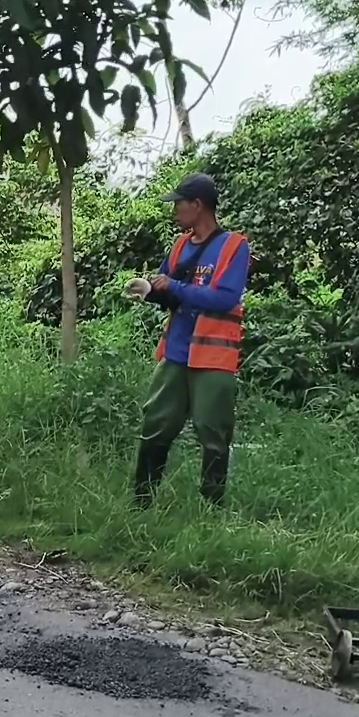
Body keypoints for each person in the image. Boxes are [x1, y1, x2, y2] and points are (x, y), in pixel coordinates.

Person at [125, 172, 251, 507]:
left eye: (180, 203)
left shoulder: (234, 246)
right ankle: (141, 504)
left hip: (214, 357)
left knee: (213, 432)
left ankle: (211, 510)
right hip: (177, 350)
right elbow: (171, 293)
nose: (175, 210)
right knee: (156, 421)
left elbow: (226, 298)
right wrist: (150, 292)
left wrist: (174, 287)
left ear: (198, 205)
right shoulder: (180, 245)